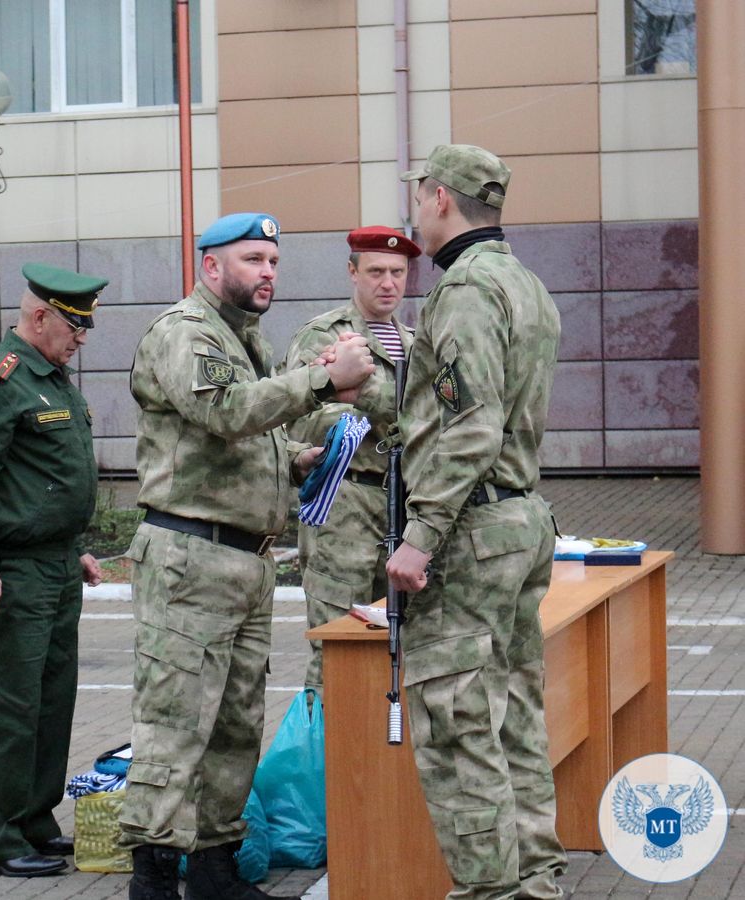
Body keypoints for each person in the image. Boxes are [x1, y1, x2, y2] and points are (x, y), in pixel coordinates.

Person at [120, 212, 375, 900]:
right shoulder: (184, 332)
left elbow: (242, 440)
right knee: (176, 720)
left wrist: (296, 461)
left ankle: (213, 866)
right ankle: (151, 873)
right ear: (210, 266)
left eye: (272, 260)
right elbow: (226, 412)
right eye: (251, 259)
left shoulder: (242, 339)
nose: (266, 272)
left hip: (244, 558)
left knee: (235, 725)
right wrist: (321, 383)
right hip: (190, 556)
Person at [387, 144, 568, 898]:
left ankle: (491, 891)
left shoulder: (462, 291)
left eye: (417, 195)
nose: (413, 209)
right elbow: (453, 411)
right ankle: (532, 879)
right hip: (519, 516)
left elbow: (469, 428)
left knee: (457, 725)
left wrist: (417, 537)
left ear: (438, 199)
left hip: (471, 529)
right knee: (514, 712)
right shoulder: (524, 284)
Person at [0, 263, 107, 878]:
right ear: (39, 317)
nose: (83, 336)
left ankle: (35, 820)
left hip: (58, 566)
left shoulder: (52, 378)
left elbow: (41, 480)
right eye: (74, 324)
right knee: (11, 705)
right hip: (14, 573)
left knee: (51, 700)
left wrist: (74, 546)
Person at [283, 225, 421, 695]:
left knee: (399, 645)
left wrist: (363, 397)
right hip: (345, 501)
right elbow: (300, 420)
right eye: (377, 271)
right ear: (352, 272)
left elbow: (434, 423)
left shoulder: (418, 344)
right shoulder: (324, 336)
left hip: (404, 507)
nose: (388, 282)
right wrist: (373, 407)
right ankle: (322, 758)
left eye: (398, 272)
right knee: (336, 645)